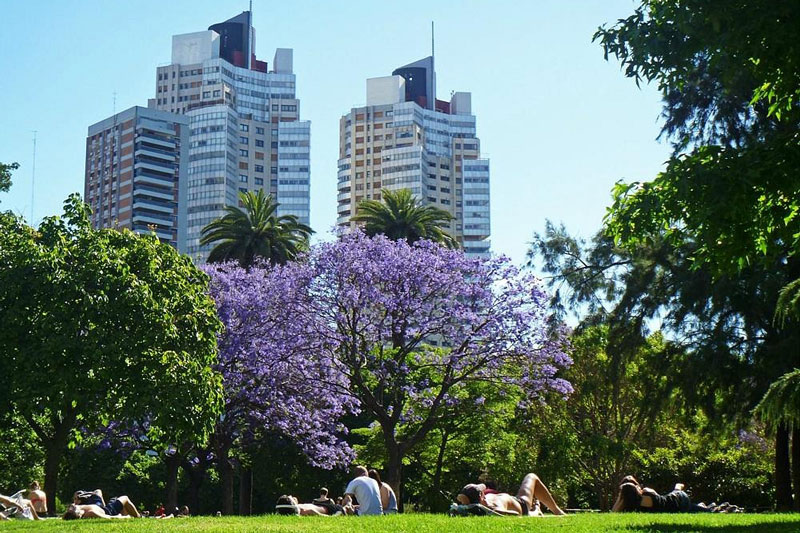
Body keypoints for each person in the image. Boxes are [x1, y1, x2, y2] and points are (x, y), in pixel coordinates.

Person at [611, 476, 739, 513]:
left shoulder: (640, 500)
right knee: (698, 510)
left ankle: (707, 506)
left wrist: (621, 496)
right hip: (676, 502)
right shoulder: (644, 495)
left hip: (678, 499)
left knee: (678, 488)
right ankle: (708, 506)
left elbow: (614, 511)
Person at [456, 473, 566, 516]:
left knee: (531, 478)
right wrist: (494, 511)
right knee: (532, 477)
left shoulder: (479, 504)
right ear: (481, 496)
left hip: (514, 499)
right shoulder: (492, 507)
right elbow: (515, 514)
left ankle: (537, 510)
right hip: (522, 504)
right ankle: (556, 511)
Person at [63, 489, 141, 519]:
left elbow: (66, 515)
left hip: (96, 505)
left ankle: (89, 494)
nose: (73, 507)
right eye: (74, 510)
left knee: (98, 491)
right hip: (107, 510)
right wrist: (125, 517)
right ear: (79, 515)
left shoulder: (74, 507)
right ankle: (139, 517)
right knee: (125, 498)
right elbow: (110, 518)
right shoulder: (91, 513)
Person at [275, 494, 345, 516]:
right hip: (332, 509)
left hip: (322, 505)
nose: (292, 497)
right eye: (291, 498)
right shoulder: (303, 510)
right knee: (347, 508)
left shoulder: (299, 508)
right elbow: (312, 511)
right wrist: (334, 516)